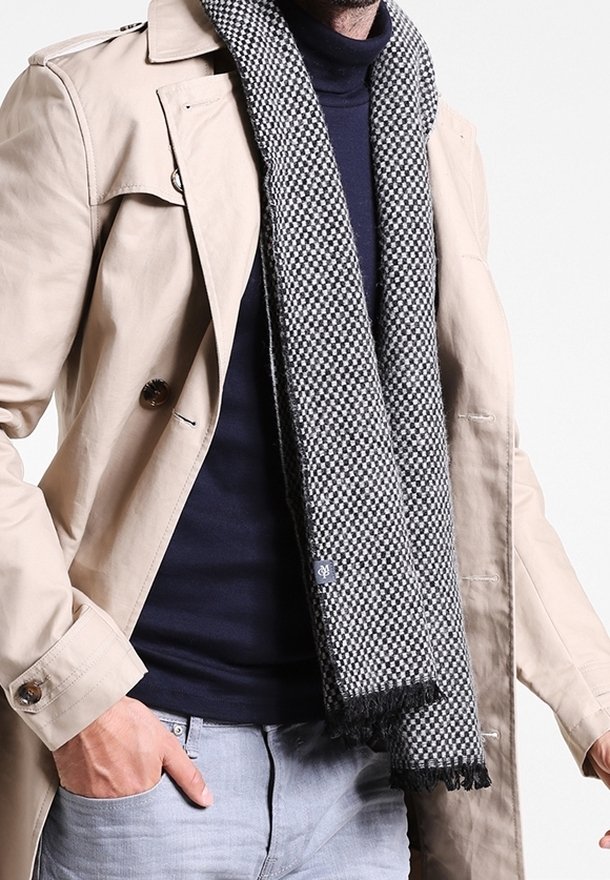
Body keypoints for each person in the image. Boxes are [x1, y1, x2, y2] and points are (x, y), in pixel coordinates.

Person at [1, 0, 610, 878]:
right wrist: (80, 698)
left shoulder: (435, 136)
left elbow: (471, 469)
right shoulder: (93, 97)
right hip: (152, 758)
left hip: (364, 764)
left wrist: (597, 711)